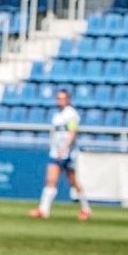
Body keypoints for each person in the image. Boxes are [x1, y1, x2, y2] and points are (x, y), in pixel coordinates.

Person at [29, 88, 91, 220]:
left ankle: (85, 209)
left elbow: (72, 132)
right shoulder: (57, 115)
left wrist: (65, 148)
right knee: (51, 180)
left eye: (62, 98)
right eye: (58, 98)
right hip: (56, 152)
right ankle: (43, 210)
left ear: (68, 100)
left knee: (73, 181)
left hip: (68, 153)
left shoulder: (71, 114)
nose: (60, 101)